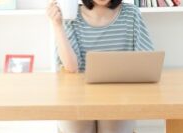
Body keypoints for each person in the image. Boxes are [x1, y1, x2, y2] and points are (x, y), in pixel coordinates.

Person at [47, 0, 154, 132]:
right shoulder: (72, 16)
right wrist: (57, 25)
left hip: (119, 97)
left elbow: (146, 62)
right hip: (78, 97)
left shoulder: (131, 14)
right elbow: (71, 67)